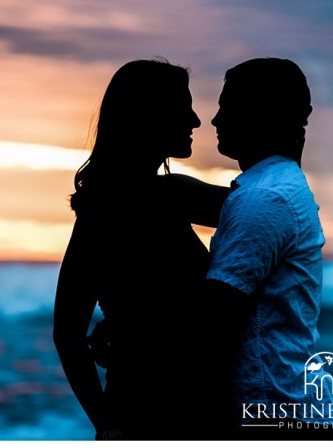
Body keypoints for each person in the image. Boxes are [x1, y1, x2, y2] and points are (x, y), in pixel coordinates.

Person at [53, 59, 229, 440]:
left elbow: (67, 334)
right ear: (150, 116)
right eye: (184, 108)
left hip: (133, 407)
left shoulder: (99, 208)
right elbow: (273, 209)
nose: (196, 121)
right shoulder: (168, 196)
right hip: (176, 413)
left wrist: (107, 424)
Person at [203, 57, 333, 440]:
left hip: (271, 414)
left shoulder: (266, 197)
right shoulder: (276, 185)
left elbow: (216, 320)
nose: (215, 121)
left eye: (227, 107)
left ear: (260, 114)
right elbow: (224, 202)